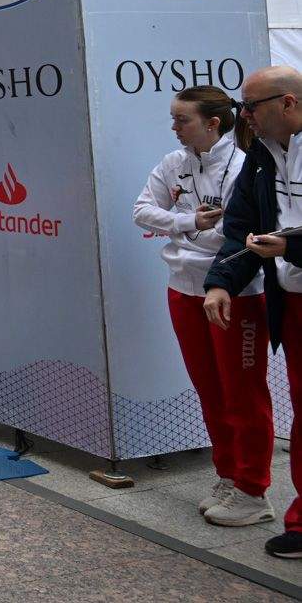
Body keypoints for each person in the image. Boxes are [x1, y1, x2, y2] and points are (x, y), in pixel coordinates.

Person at [133, 85, 268, 528]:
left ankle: (254, 488)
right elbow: (141, 211)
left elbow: (234, 235)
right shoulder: (174, 163)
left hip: (235, 292)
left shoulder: (244, 166)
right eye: (173, 119)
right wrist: (187, 222)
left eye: (181, 120)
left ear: (212, 123)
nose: (173, 127)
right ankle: (229, 476)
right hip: (183, 288)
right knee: (209, 388)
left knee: (242, 392)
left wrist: (183, 231)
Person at [205, 66, 302, 554]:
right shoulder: (261, 156)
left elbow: (280, 239)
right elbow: (241, 225)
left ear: (288, 103)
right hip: (291, 299)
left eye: (253, 105)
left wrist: (287, 247)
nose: (245, 115)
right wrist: (222, 281)